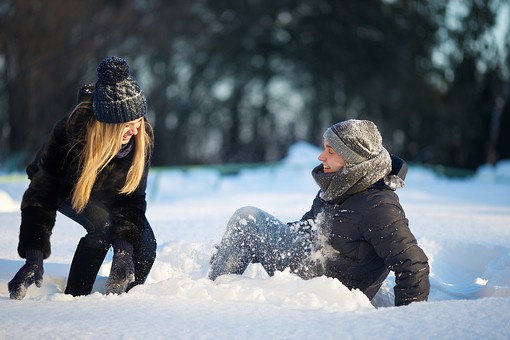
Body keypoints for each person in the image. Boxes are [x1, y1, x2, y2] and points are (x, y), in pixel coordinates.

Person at [209, 119, 430, 306]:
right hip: (313, 263)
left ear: (352, 159)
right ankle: (210, 286)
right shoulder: (340, 185)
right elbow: (308, 227)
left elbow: (412, 264)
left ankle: (209, 294)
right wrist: (256, 243)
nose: (321, 157)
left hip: (328, 290)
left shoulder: (378, 206)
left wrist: (407, 319)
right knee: (249, 227)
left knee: (247, 218)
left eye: (330, 151)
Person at [8, 56, 157, 300]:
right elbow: (41, 195)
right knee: (102, 227)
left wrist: (123, 252)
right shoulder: (70, 135)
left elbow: (132, 198)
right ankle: (76, 299)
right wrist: (33, 257)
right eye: (127, 124)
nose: (135, 130)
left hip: (107, 188)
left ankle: (125, 300)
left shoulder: (142, 138)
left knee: (146, 246)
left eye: (138, 121)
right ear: (107, 125)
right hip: (68, 185)